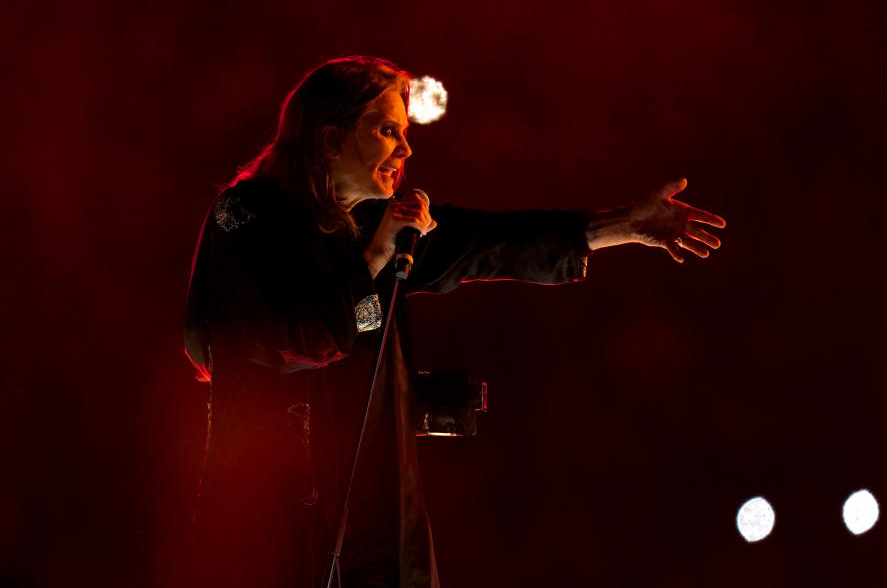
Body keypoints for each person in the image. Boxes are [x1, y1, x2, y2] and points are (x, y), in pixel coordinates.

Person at [182, 56, 725, 588]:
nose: (406, 148)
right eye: (388, 129)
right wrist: (372, 260)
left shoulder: (373, 223)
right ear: (329, 139)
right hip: (272, 529)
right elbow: (297, 339)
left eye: (405, 131)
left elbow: (492, 243)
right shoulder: (243, 215)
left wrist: (622, 225)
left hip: (374, 538)